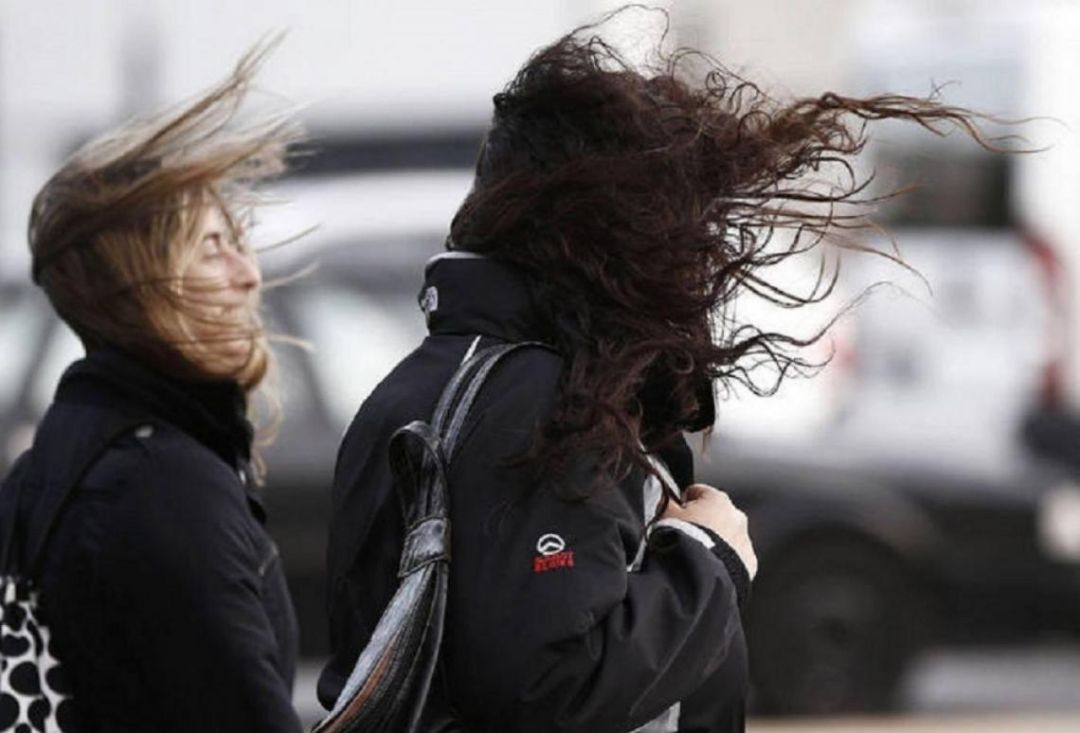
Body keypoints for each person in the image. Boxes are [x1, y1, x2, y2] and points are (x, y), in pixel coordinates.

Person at [319, 13, 1000, 733]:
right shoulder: (540, 397)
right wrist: (708, 556)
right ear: (608, 233)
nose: (698, 253)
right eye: (676, 221)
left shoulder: (424, 381)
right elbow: (548, 687)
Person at [0, 43, 303, 731]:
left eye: (239, 241)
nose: (248, 274)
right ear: (135, 287)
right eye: (209, 247)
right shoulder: (165, 486)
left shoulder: (53, 463)